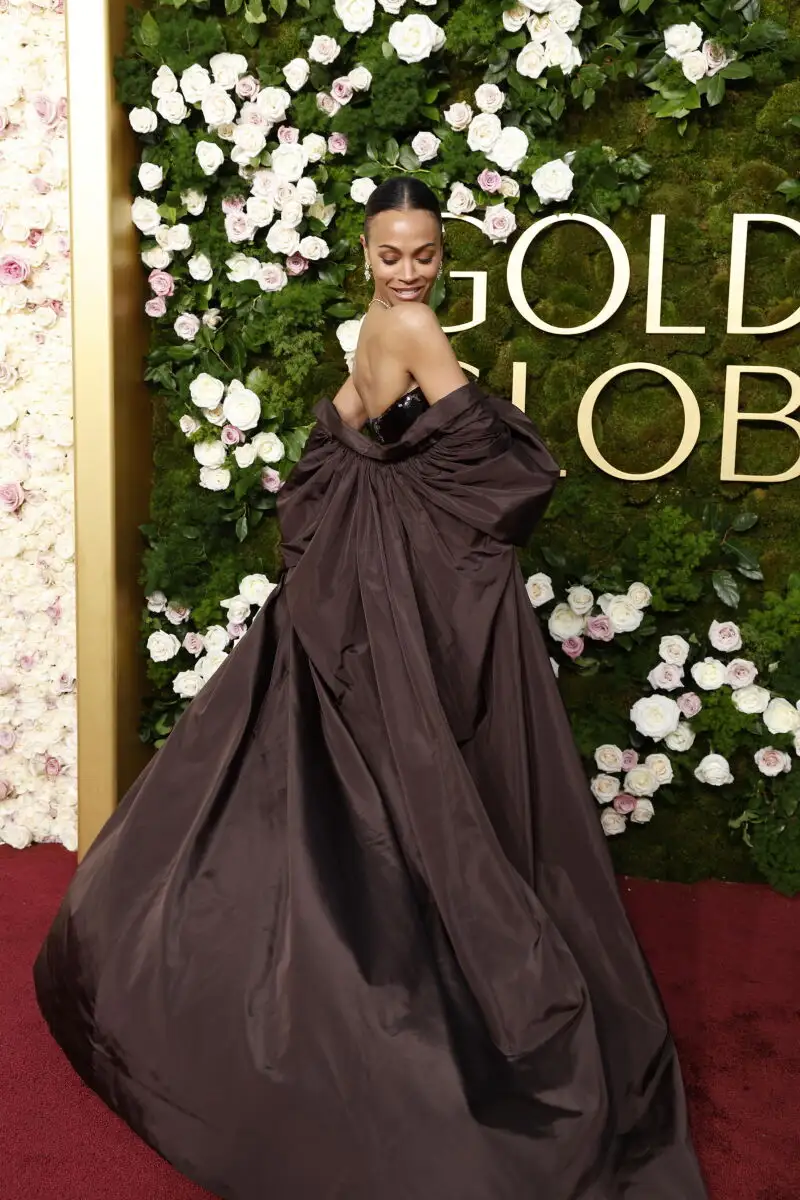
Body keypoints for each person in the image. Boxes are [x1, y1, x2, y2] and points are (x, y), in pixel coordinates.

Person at [33, 176, 709, 1200]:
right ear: (365, 254)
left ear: (441, 251)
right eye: (391, 255)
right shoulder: (416, 328)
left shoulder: (370, 325)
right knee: (414, 768)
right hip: (392, 585)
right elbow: (493, 461)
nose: (407, 271)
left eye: (423, 254)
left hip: (363, 577)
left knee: (343, 762)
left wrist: (389, 468)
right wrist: (457, 428)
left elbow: (341, 429)